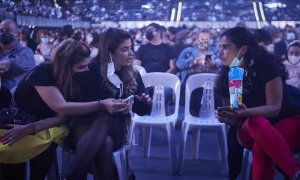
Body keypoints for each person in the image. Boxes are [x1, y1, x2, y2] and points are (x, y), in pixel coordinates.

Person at [0, 39, 127, 180]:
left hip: (51, 124)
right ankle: (76, 174)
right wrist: (101, 104)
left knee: (105, 132)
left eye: (86, 65)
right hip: (22, 122)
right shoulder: (42, 73)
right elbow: (62, 108)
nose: (86, 70)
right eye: (81, 67)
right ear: (65, 66)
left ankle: (74, 174)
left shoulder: (75, 76)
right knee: (105, 138)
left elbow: (63, 115)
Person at [66, 28, 151, 179]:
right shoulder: (91, 69)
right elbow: (78, 102)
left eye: (131, 48)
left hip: (115, 127)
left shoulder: (133, 74)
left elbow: (142, 110)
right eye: (125, 49)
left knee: (106, 120)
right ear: (110, 52)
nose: (131, 53)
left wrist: (144, 103)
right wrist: (105, 105)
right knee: (104, 142)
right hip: (84, 127)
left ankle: (73, 175)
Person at [215, 27, 300, 180]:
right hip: (249, 128)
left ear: (243, 49)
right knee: (255, 122)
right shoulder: (231, 73)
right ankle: (295, 172)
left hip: (285, 120)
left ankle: (294, 172)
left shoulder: (267, 66)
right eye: (220, 47)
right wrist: (228, 117)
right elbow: (235, 116)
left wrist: (244, 113)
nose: (220, 52)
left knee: (261, 147)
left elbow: (274, 108)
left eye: (226, 47)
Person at [0, 19, 35, 107]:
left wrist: (6, 64)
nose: (3, 33)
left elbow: (17, 64)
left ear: (17, 34)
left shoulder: (26, 52)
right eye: (1, 30)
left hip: (12, 102)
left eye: (8, 30)